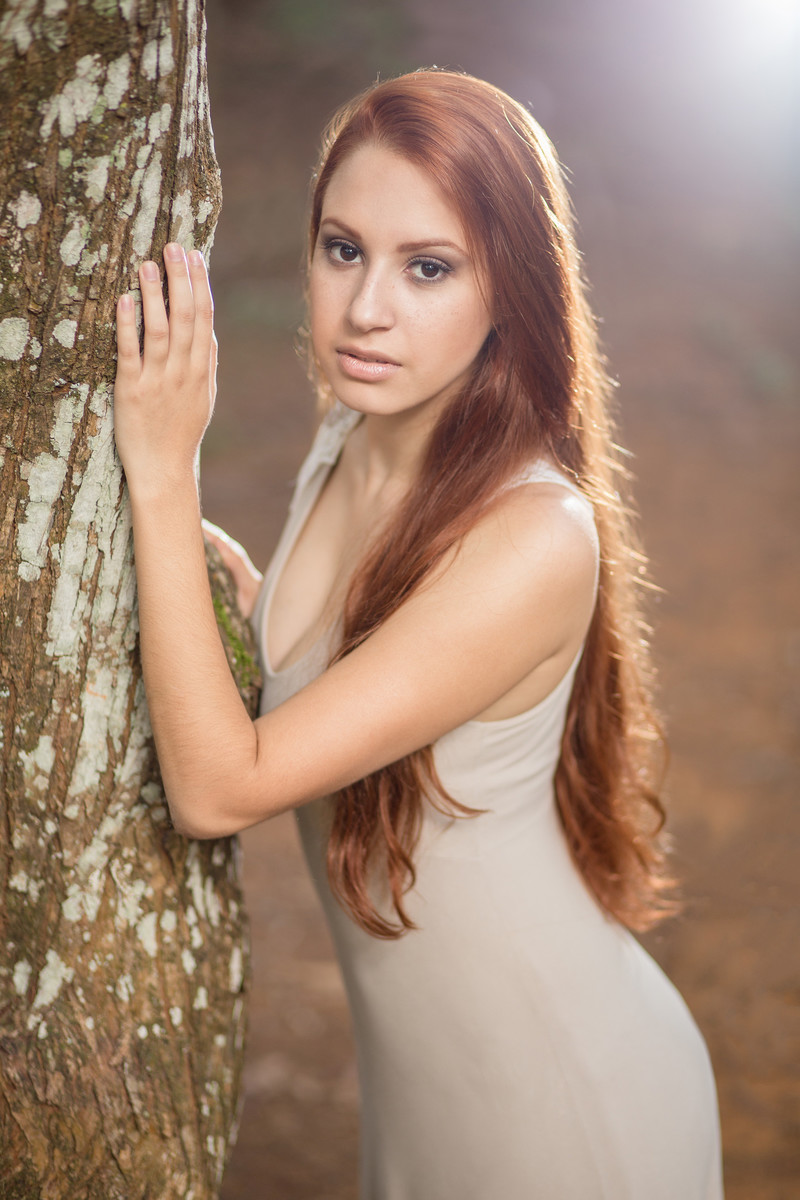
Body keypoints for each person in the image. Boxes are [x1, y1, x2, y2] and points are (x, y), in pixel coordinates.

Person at [114, 69, 723, 1200]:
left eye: (428, 267)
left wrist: (161, 469)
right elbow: (366, 662)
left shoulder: (534, 535)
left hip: (562, 1109)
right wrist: (254, 611)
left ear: (511, 287)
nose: (365, 310)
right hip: (427, 1100)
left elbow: (216, 790)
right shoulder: (357, 425)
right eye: (343, 249)